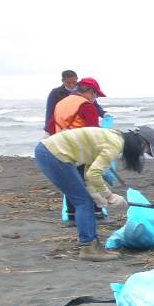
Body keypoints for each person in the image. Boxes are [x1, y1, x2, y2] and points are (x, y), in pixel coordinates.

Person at [34, 119, 154, 261]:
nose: (142, 154)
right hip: (53, 154)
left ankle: (92, 245)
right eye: (144, 151)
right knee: (82, 202)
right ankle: (88, 249)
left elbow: (88, 172)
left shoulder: (114, 137)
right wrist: (110, 196)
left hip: (50, 151)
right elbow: (94, 173)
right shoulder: (115, 144)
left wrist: (97, 196)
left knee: (85, 199)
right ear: (142, 143)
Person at [49, 76, 110, 221]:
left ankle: (71, 213)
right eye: (95, 94)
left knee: (71, 181)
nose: (95, 98)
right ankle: (96, 210)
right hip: (81, 149)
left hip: (62, 147)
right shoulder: (86, 106)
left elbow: (51, 126)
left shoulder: (61, 103)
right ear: (89, 91)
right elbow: (93, 132)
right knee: (90, 179)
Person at [42, 70, 105, 134]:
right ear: (63, 81)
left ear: (77, 79)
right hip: (68, 132)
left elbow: (95, 105)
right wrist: (48, 130)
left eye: (74, 82)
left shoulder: (80, 96)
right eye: (68, 83)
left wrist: (103, 113)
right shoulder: (55, 93)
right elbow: (50, 112)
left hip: (62, 132)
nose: (72, 85)